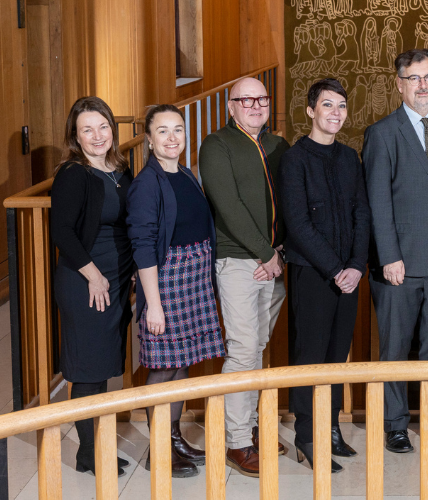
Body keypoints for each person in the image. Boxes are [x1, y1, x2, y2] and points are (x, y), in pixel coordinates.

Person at [362, 48, 428, 453]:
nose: (422, 85)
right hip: (399, 264)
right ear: (399, 84)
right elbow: (378, 201)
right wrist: (388, 255)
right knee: (394, 348)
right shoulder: (383, 132)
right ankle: (394, 424)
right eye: (414, 78)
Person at [127, 104, 227, 478]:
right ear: (149, 139)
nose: (172, 138)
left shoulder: (185, 173)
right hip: (166, 283)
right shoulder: (146, 184)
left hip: (195, 278)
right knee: (162, 367)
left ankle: (174, 438)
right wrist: (153, 305)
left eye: (178, 130)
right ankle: (159, 451)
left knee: (181, 364)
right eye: (163, 131)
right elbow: (142, 245)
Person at [200, 77, 291, 477]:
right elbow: (229, 205)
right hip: (239, 262)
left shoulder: (277, 146)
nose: (255, 105)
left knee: (255, 350)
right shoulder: (216, 145)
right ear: (231, 106)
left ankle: (248, 429)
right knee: (242, 351)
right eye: (245, 100)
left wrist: (280, 252)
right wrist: (265, 252)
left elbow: (288, 202)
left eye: (262, 99)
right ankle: (235, 441)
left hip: (273, 264)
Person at [279, 79, 371, 473]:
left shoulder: (350, 158)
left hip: (348, 275)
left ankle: (331, 428)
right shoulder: (295, 160)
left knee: (336, 357)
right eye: (327, 105)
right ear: (310, 111)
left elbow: (362, 215)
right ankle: (306, 436)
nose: (336, 113)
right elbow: (297, 224)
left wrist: (355, 265)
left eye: (341, 106)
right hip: (313, 274)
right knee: (310, 357)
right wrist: (335, 269)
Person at [50, 96, 134, 477]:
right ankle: (90, 452)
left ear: (112, 129)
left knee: (103, 366)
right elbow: (62, 232)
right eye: (87, 129)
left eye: (102, 126)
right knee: (88, 370)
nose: (97, 135)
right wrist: (94, 274)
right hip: (85, 279)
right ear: (76, 136)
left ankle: (93, 448)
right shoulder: (73, 174)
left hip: (114, 279)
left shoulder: (121, 169)